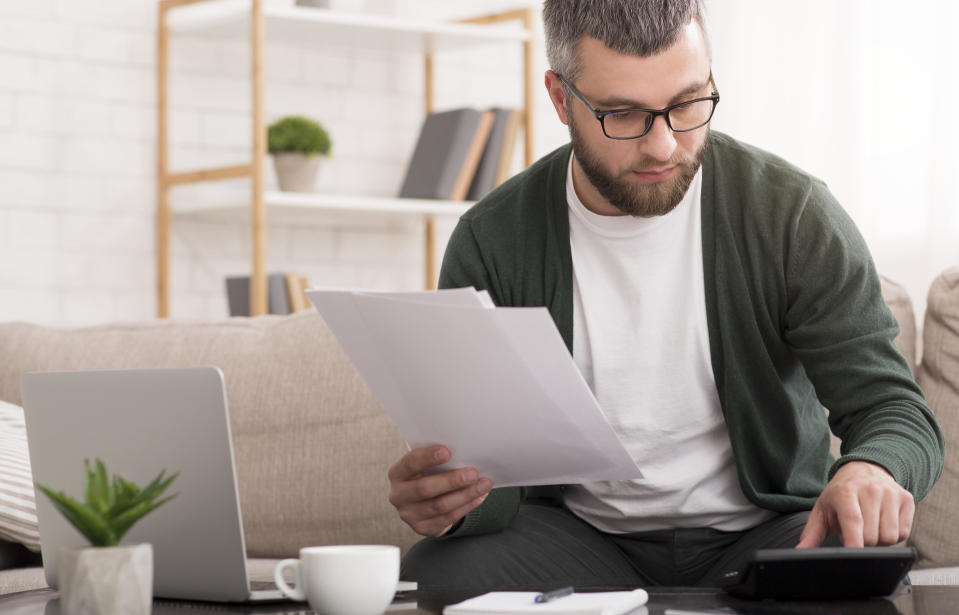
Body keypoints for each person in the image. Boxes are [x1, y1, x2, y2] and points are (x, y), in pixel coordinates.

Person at [389, 0, 945, 589]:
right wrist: (450, 504)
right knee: (440, 575)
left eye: (686, 104)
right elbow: (487, 466)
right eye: (623, 115)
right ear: (560, 99)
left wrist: (872, 468)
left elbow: (895, 410)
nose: (663, 146)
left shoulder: (792, 214)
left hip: (767, 531)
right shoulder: (493, 239)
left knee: (847, 572)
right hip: (580, 543)